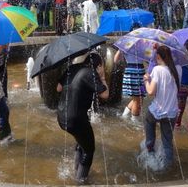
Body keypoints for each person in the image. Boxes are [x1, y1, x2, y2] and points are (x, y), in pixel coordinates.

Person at [56, 52, 109, 183]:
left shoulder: (72, 68)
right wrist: (102, 77)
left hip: (62, 117)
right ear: (99, 65)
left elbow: (58, 88)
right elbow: (105, 95)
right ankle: (80, 181)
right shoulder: (91, 73)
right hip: (76, 119)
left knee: (81, 140)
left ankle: (76, 169)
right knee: (89, 150)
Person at [142, 45, 180, 167]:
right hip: (172, 112)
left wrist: (146, 80)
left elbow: (151, 92)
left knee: (148, 120)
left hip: (158, 111)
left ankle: (150, 149)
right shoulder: (177, 69)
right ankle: (167, 168)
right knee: (167, 142)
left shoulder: (157, 69)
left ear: (158, 56)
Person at [115, 49, 146, 120]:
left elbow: (115, 60)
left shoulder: (125, 45)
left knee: (140, 97)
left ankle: (124, 115)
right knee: (137, 99)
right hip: (137, 72)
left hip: (134, 72)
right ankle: (134, 122)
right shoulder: (142, 44)